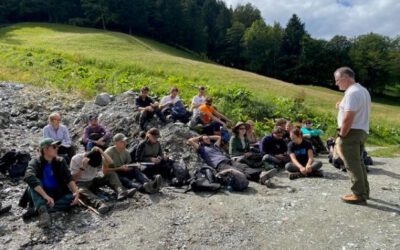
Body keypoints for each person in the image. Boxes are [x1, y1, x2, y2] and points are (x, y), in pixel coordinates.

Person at [334, 66, 371, 205]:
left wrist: (342, 134)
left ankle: (359, 194)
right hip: (361, 131)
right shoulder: (362, 90)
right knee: (359, 163)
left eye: (337, 80)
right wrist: (341, 105)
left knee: (352, 164)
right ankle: (364, 191)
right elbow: (353, 109)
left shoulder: (352, 93)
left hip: (351, 132)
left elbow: (348, 117)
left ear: (345, 77)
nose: (336, 83)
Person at [23, 138, 79, 227]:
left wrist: (76, 192)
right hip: (41, 193)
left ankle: (38, 210)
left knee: (73, 200)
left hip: (56, 193)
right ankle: (43, 213)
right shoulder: (35, 162)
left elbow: (68, 178)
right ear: (45, 149)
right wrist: (45, 195)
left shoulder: (60, 161)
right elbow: (28, 176)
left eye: (57, 146)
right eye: (54, 147)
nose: (57, 148)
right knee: (32, 185)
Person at [187, 135, 276, 186]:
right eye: (206, 139)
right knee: (237, 172)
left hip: (227, 160)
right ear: (201, 141)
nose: (208, 139)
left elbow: (218, 137)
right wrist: (201, 137)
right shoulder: (201, 148)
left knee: (243, 167)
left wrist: (207, 136)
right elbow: (190, 140)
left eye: (208, 139)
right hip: (219, 164)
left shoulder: (214, 146)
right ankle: (261, 179)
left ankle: (261, 176)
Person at [70, 147, 136, 214]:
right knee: (80, 190)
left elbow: (111, 162)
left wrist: (101, 151)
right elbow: (73, 180)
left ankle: (121, 191)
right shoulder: (75, 159)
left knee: (111, 174)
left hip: (93, 180)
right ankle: (100, 204)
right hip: (81, 183)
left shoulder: (96, 156)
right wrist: (82, 168)